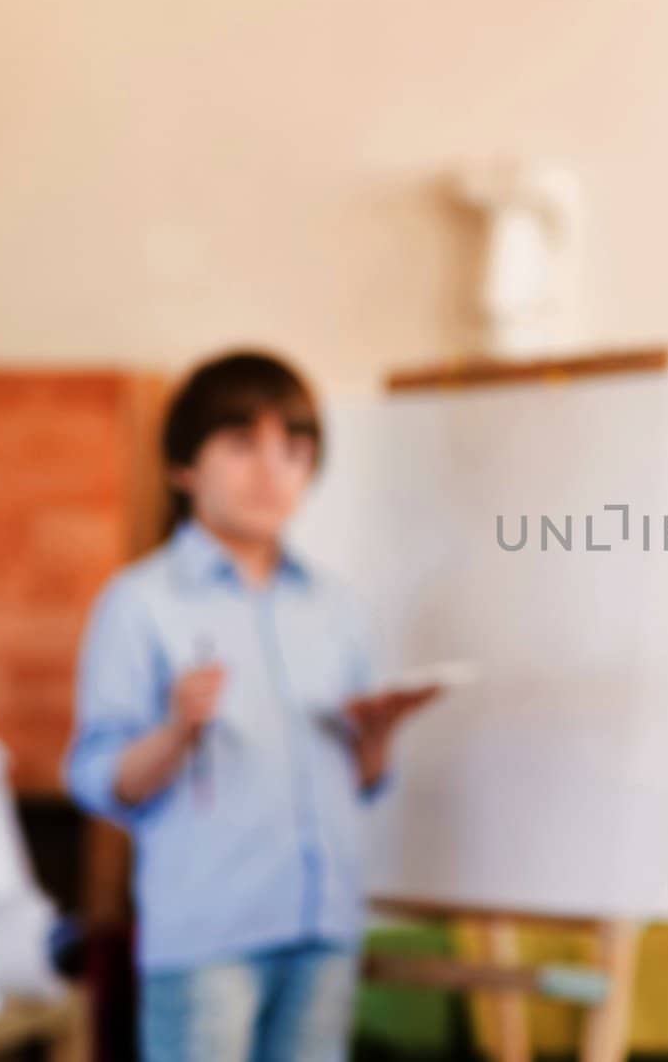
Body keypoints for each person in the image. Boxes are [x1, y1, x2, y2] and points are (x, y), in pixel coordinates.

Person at [64, 349, 435, 1062]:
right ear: (182, 467)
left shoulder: (339, 609)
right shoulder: (140, 603)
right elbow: (96, 776)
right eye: (242, 445)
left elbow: (358, 781)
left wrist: (377, 740)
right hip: (209, 937)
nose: (272, 470)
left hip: (322, 928)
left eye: (294, 450)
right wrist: (175, 732)